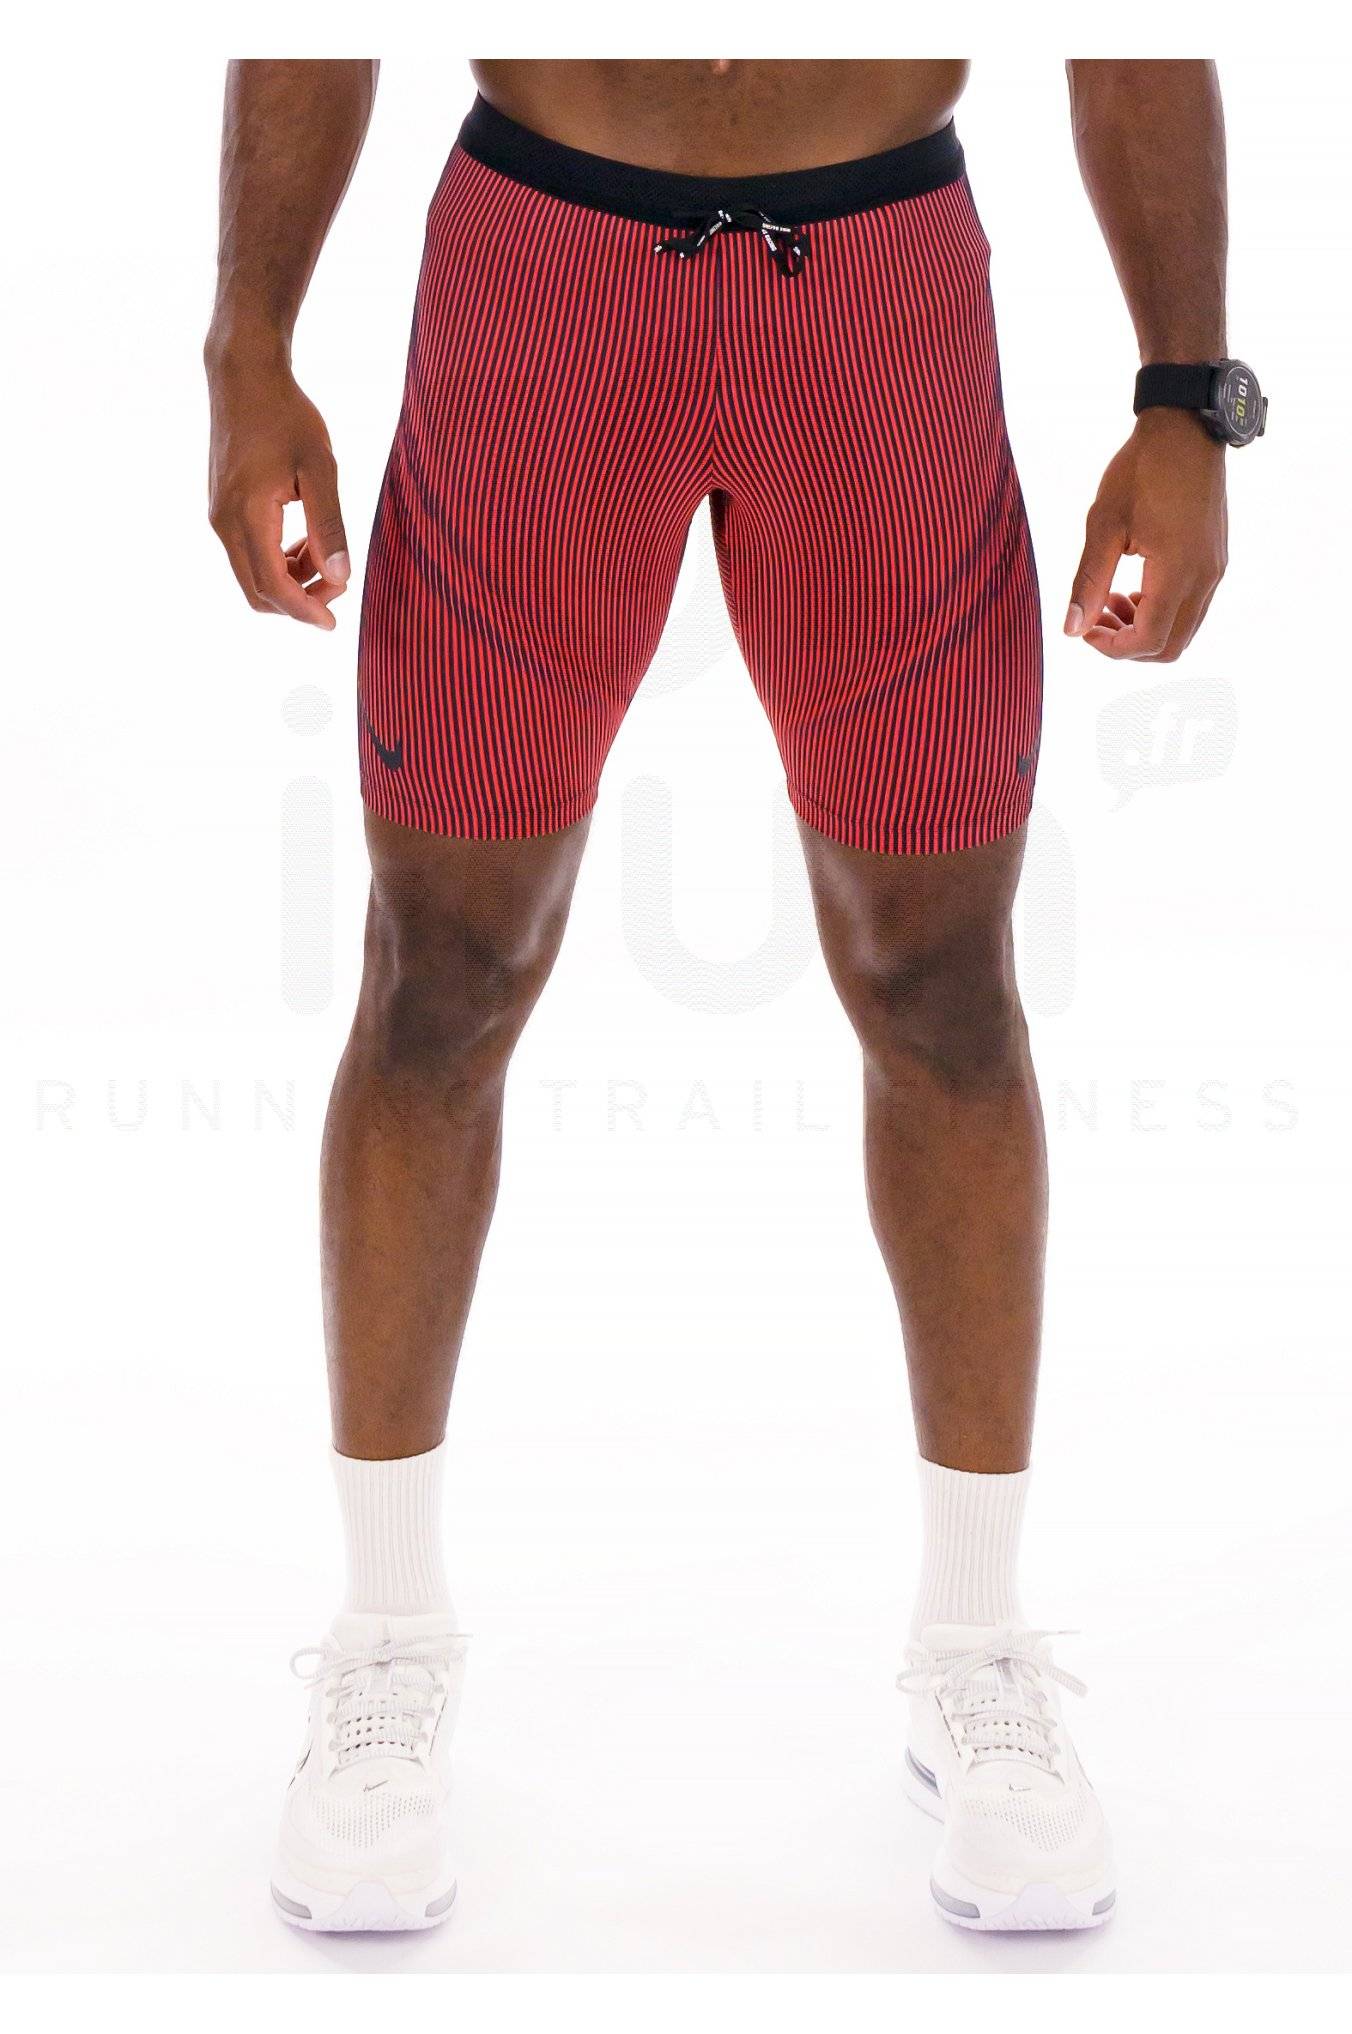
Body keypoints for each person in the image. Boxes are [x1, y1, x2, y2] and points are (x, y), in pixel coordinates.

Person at [206, 58, 1264, 1936]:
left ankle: (977, 1647)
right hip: (542, 276)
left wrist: (1187, 394)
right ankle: (383, 1646)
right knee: (440, 975)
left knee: (942, 986)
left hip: (877, 292)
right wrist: (249, 343)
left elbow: (1137, 26)